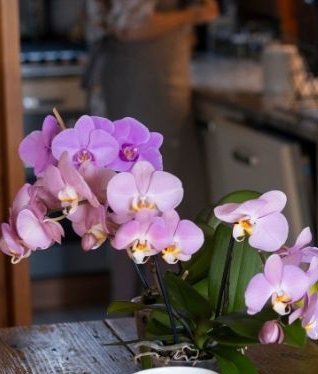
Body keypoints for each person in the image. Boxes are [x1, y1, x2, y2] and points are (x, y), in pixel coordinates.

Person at [85, 0, 219, 298]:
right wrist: (193, 14)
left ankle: (138, 308)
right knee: (149, 202)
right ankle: (161, 313)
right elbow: (130, 26)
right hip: (144, 87)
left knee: (126, 202)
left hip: (139, 81)